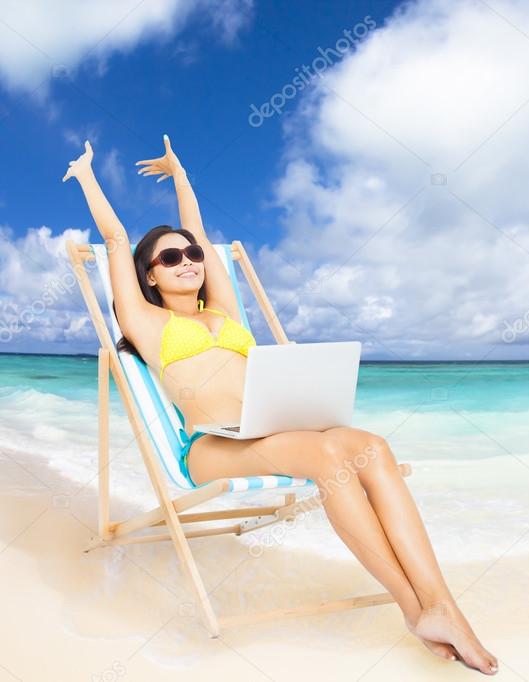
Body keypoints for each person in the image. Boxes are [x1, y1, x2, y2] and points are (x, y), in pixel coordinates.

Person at [63, 136, 498, 675]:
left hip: (270, 429)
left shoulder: (224, 311)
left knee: (372, 447)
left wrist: (181, 175)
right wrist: (86, 174)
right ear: (148, 274)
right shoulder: (147, 324)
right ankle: (416, 610)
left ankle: (444, 607)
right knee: (326, 459)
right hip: (212, 448)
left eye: (192, 255)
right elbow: (114, 236)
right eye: (170, 257)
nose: (188, 261)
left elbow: (201, 232)